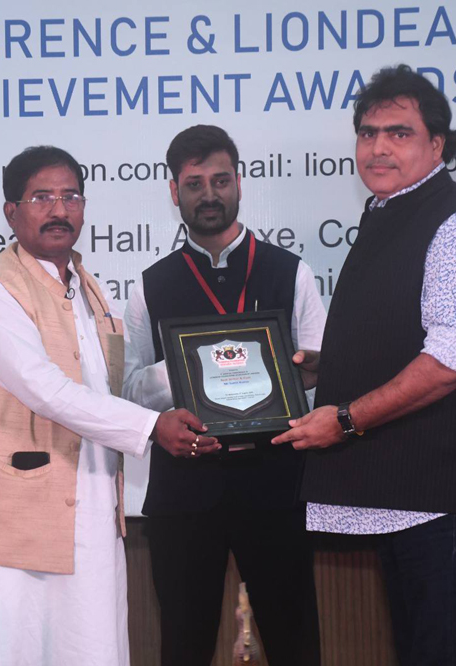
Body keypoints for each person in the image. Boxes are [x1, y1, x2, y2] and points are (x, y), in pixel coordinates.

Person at [274, 65, 456, 666]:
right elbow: (405, 339)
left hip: (447, 498)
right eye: (368, 133)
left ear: (437, 145)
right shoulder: (390, 214)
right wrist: (326, 370)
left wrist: (344, 419)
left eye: (399, 133)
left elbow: (450, 361)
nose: (378, 147)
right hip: (409, 494)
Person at [0, 145, 219, 666]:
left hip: (90, 512)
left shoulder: (89, 290)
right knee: (13, 650)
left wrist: (199, 366)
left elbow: (110, 390)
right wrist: (152, 427)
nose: (59, 210)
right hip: (12, 524)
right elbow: (47, 390)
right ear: (11, 212)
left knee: (90, 649)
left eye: (70, 196)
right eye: (41, 197)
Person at [122, 125, 325, 666]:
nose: (208, 194)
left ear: (239, 183)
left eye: (220, 180)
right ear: (174, 192)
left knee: (295, 640)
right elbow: (129, 388)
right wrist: (186, 371)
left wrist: (305, 373)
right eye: (194, 184)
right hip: (185, 490)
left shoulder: (291, 272)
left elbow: (323, 373)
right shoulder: (149, 285)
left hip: (275, 483)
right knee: (184, 644)